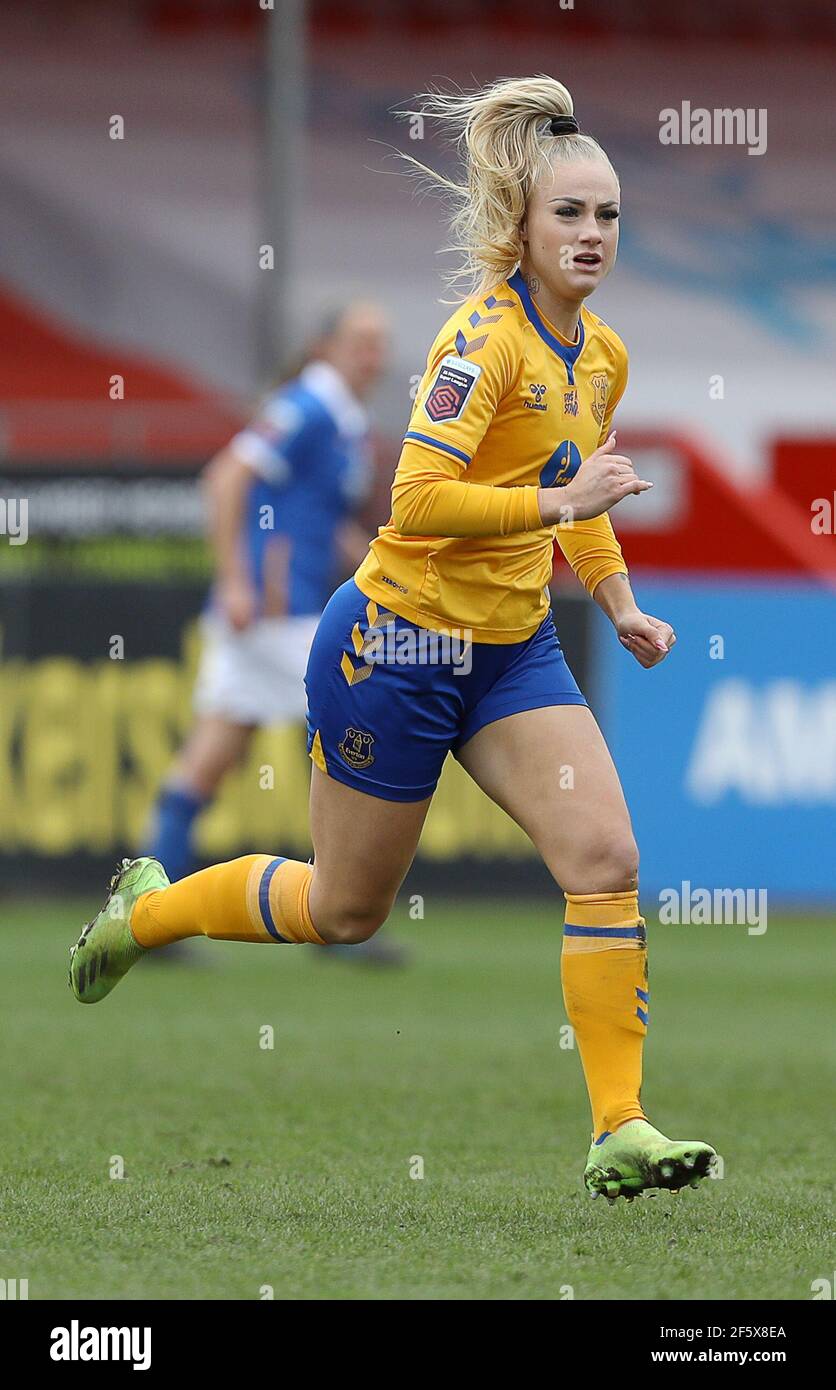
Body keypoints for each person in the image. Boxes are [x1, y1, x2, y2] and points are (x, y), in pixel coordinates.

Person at [70, 76, 715, 1201]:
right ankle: (151, 909)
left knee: (605, 859)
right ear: (520, 223)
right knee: (343, 909)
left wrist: (613, 603)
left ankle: (620, 1125)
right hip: (397, 644)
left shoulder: (600, 357)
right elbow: (416, 500)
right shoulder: (481, 341)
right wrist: (560, 511)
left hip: (513, 651)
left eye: (608, 214)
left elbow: (581, 490)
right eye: (570, 213)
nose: (592, 234)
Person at [143, 301, 402, 963]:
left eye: (379, 346)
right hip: (273, 611)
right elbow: (225, 477)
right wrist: (234, 578)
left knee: (210, 756)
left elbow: (316, 520)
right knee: (354, 730)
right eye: (360, 343)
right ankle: (337, 920)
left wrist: (380, 568)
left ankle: (147, 914)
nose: (372, 357)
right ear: (324, 346)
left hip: (277, 611)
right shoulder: (308, 407)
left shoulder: (342, 421)